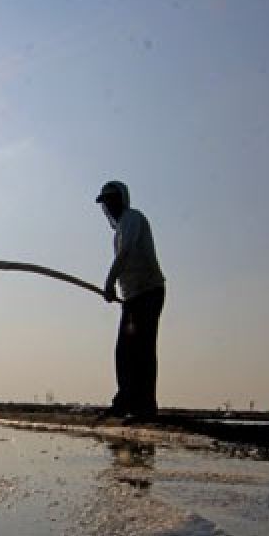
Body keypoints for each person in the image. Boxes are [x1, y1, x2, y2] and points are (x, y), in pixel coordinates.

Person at [96, 180, 165, 421]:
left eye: (112, 201)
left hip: (148, 292)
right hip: (133, 297)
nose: (109, 207)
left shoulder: (133, 218)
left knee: (142, 350)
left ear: (122, 200)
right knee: (125, 352)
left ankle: (144, 407)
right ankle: (127, 401)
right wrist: (118, 290)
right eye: (106, 203)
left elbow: (126, 252)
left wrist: (109, 282)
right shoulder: (119, 230)